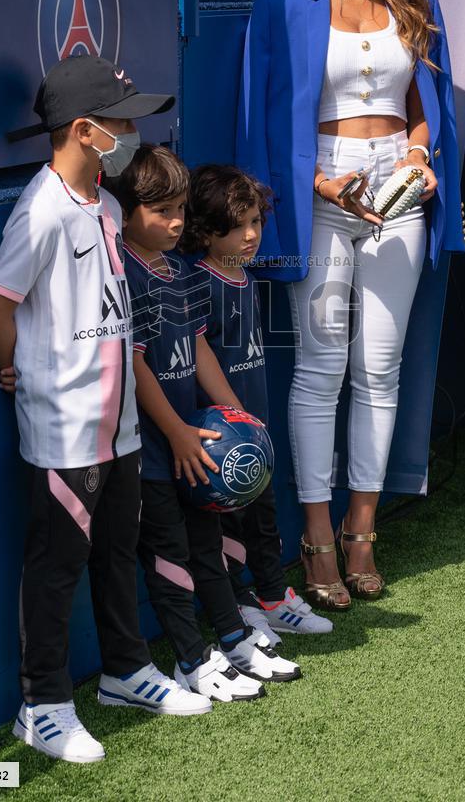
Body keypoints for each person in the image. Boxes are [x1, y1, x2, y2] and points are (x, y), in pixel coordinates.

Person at [236, 0, 465, 610]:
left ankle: (362, 529)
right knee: (319, 365)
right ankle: (316, 537)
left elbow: (423, 101)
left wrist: (417, 154)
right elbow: (262, 117)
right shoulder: (282, 5)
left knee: (379, 367)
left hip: (398, 188)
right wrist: (314, 184)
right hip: (322, 191)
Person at [0, 56, 212, 765]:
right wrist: (16, 368)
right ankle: (42, 705)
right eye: (121, 122)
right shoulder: (42, 210)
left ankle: (124, 672)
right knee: (57, 568)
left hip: (121, 430)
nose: (132, 132)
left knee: (115, 555)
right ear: (84, 131)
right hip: (66, 434)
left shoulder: (107, 207)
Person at [107, 144, 301, 701]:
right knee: (168, 555)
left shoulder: (180, 273)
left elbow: (198, 349)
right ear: (124, 212)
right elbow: (136, 364)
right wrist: (176, 433)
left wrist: (237, 415)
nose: (174, 222)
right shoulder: (127, 273)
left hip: (195, 440)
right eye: (161, 211)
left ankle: (233, 639)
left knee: (205, 542)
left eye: (180, 210)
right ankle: (193, 661)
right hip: (154, 447)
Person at [181, 163, 333, 644]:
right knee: (223, 529)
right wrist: (236, 416)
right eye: (238, 224)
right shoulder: (201, 282)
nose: (250, 235)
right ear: (206, 230)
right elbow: (198, 355)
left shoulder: (245, 278)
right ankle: (238, 607)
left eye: (256, 223)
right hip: (220, 438)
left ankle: (272, 596)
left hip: (253, 433)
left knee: (263, 520)